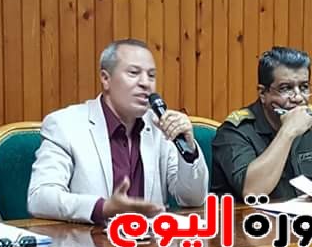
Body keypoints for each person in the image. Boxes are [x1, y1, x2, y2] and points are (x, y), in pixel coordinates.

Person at [28, 39, 208, 224]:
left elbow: (192, 199)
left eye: (151, 75)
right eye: (134, 73)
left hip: (150, 240)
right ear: (106, 79)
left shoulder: (159, 126)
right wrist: (102, 208)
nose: (145, 83)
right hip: (92, 240)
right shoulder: (65, 125)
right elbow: (40, 197)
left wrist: (188, 149)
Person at [211, 46, 312, 201]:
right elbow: (253, 192)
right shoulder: (236, 132)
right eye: (286, 88)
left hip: (310, 215)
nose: (298, 98)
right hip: (252, 216)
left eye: (304, 87)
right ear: (263, 93)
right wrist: (288, 132)